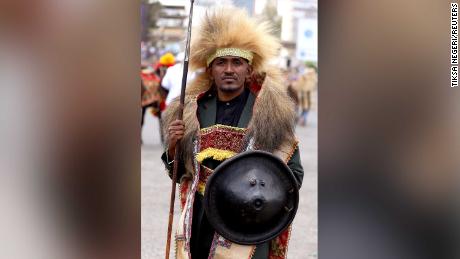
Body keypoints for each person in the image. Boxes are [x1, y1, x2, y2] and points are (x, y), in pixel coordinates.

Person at [161, 7, 304, 259]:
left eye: (237, 62)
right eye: (221, 63)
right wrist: (173, 147)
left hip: (248, 221)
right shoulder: (190, 112)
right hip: (200, 217)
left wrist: (260, 195)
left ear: (249, 70)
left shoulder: (269, 115)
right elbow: (180, 174)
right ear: (210, 70)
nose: (229, 69)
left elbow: (293, 174)